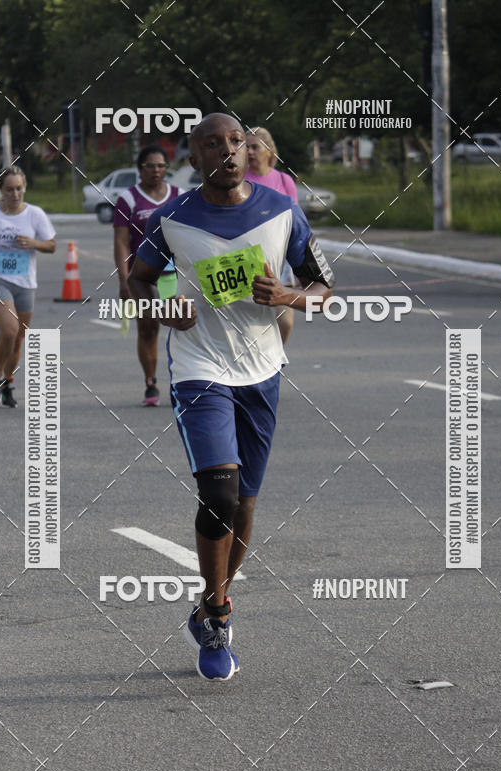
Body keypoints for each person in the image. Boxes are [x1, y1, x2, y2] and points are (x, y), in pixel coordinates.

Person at [128, 113, 334, 681]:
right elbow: (139, 278)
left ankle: (207, 599)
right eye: (211, 144)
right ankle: (218, 614)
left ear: (249, 151)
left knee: (243, 503)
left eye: (236, 141)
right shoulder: (169, 217)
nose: (226, 150)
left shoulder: (282, 212)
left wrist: (288, 296)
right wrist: (162, 306)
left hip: (262, 370)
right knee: (218, 491)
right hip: (199, 368)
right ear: (194, 159)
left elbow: (323, 288)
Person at [0, 166, 56, 408]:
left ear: (25, 188)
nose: (15, 194)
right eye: (9, 189)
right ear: (0, 191)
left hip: (26, 283)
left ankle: (7, 382)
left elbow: (51, 245)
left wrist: (33, 243)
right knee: (9, 330)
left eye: (19, 188)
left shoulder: (35, 214)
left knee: (18, 339)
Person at [113, 145, 182, 406]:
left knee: (182, 326)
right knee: (148, 327)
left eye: (161, 166)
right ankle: (151, 383)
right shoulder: (128, 199)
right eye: (150, 166)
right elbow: (120, 242)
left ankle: (180, 381)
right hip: (142, 275)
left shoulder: (179, 195)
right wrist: (123, 278)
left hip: (174, 272)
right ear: (140, 169)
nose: (156, 171)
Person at [246, 126, 299, 344]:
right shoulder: (240, 179)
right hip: (247, 255)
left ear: (269, 150)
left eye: (254, 147)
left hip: (281, 258)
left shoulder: (284, 181)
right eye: (245, 147)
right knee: (251, 321)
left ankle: (276, 360)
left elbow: (296, 222)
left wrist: (299, 260)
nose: (249, 152)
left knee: (285, 321)